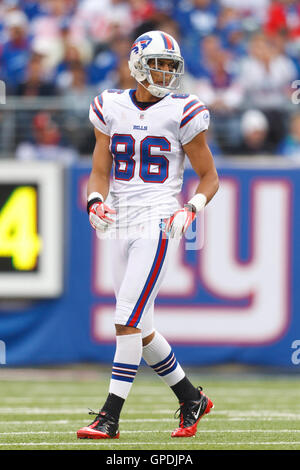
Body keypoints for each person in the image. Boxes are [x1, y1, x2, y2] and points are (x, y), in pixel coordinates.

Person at [77, 30, 219, 440]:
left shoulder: (183, 111)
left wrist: (191, 208)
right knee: (141, 327)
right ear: (138, 63)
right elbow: (100, 168)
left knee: (125, 319)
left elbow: (209, 176)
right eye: (159, 63)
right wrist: (95, 200)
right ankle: (191, 398)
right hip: (120, 222)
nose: (166, 72)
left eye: (172, 66)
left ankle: (110, 416)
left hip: (156, 221)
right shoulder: (110, 106)